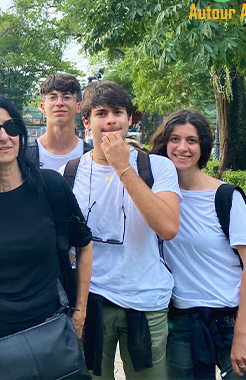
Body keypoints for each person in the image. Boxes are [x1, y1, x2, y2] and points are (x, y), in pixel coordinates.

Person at [0, 95, 93, 376]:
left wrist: (80, 312)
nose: (4, 137)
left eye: (11, 127)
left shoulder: (50, 187)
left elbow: (84, 246)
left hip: (51, 328)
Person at [64, 81, 181, 379]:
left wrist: (122, 167)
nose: (111, 120)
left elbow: (168, 228)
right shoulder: (69, 173)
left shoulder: (157, 167)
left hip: (145, 300)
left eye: (118, 112)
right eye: (101, 113)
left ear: (130, 118)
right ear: (87, 121)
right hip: (90, 301)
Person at [149, 110, 246, 380]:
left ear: (203, 147)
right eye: (174, 139)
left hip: (230, 322)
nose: (182, 147)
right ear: (164, 144)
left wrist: (242, 333)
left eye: (192, 140)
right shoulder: (157, 199)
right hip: (181, 323)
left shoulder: (225, 197)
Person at [29, 73, 91, 171]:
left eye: (66, 97)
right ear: (43, 107)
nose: (59, 103)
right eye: (53, 97)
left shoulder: (91, 156)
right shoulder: (26, 157)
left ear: (78, 106)